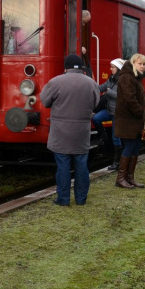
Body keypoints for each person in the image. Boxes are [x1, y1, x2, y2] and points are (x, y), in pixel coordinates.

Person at [40, 54, 100, 206]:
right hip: (81, 132)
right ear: (81, 67)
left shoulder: (55, 82)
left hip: (60, 133)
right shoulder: (91, 83)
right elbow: (96, 104)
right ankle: (81, 199)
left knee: (63, 167)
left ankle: (63, 199)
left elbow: (45, 101)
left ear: (65, 67)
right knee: (81, 166)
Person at [114, 53, 145, 189]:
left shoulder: (135, 77)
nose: (142, 66)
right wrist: (140, 111)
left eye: (144, 64)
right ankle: (121, 178)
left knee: (135, 147)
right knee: (130, 147)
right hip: (128, 120)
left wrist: (144, 99)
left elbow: (134, 95)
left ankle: (130, 177)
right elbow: (129, 98)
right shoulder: (127, 77)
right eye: (139, 64)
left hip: (133, 120)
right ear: (133, 63)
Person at [93, 58, 125, 170]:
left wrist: (109, 91)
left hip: (118, 113)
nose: (110, 69)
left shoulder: (123, 80)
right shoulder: (111, 79)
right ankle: (104, 136)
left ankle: (117, 162)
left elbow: (121, 95)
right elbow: (100, 87)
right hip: (109, 110)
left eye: (113, 67)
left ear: (119, 68)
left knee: (116, 137)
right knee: (96, 118)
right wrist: (91, 86)